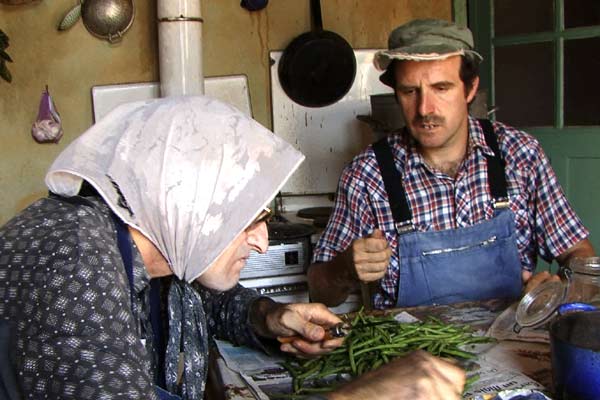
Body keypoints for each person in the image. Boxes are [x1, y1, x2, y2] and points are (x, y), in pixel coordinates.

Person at [0, 96, 465, 400]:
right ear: (184, 199)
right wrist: (362, 396)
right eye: (252, 217)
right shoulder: (71, 253)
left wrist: (271, 316)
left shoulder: (158, 245)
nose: (262, 240)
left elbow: (207, 300)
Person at [307, 19, 595, 310]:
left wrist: (563, 289)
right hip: (409, 349)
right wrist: (344, 269)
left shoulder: (520, 155)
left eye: (441, 88)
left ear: (470, 89)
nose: (424, 109)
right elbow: (320, 291)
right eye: (410, 91)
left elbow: (578, 253)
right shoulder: (367, 175)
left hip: (511, 342)